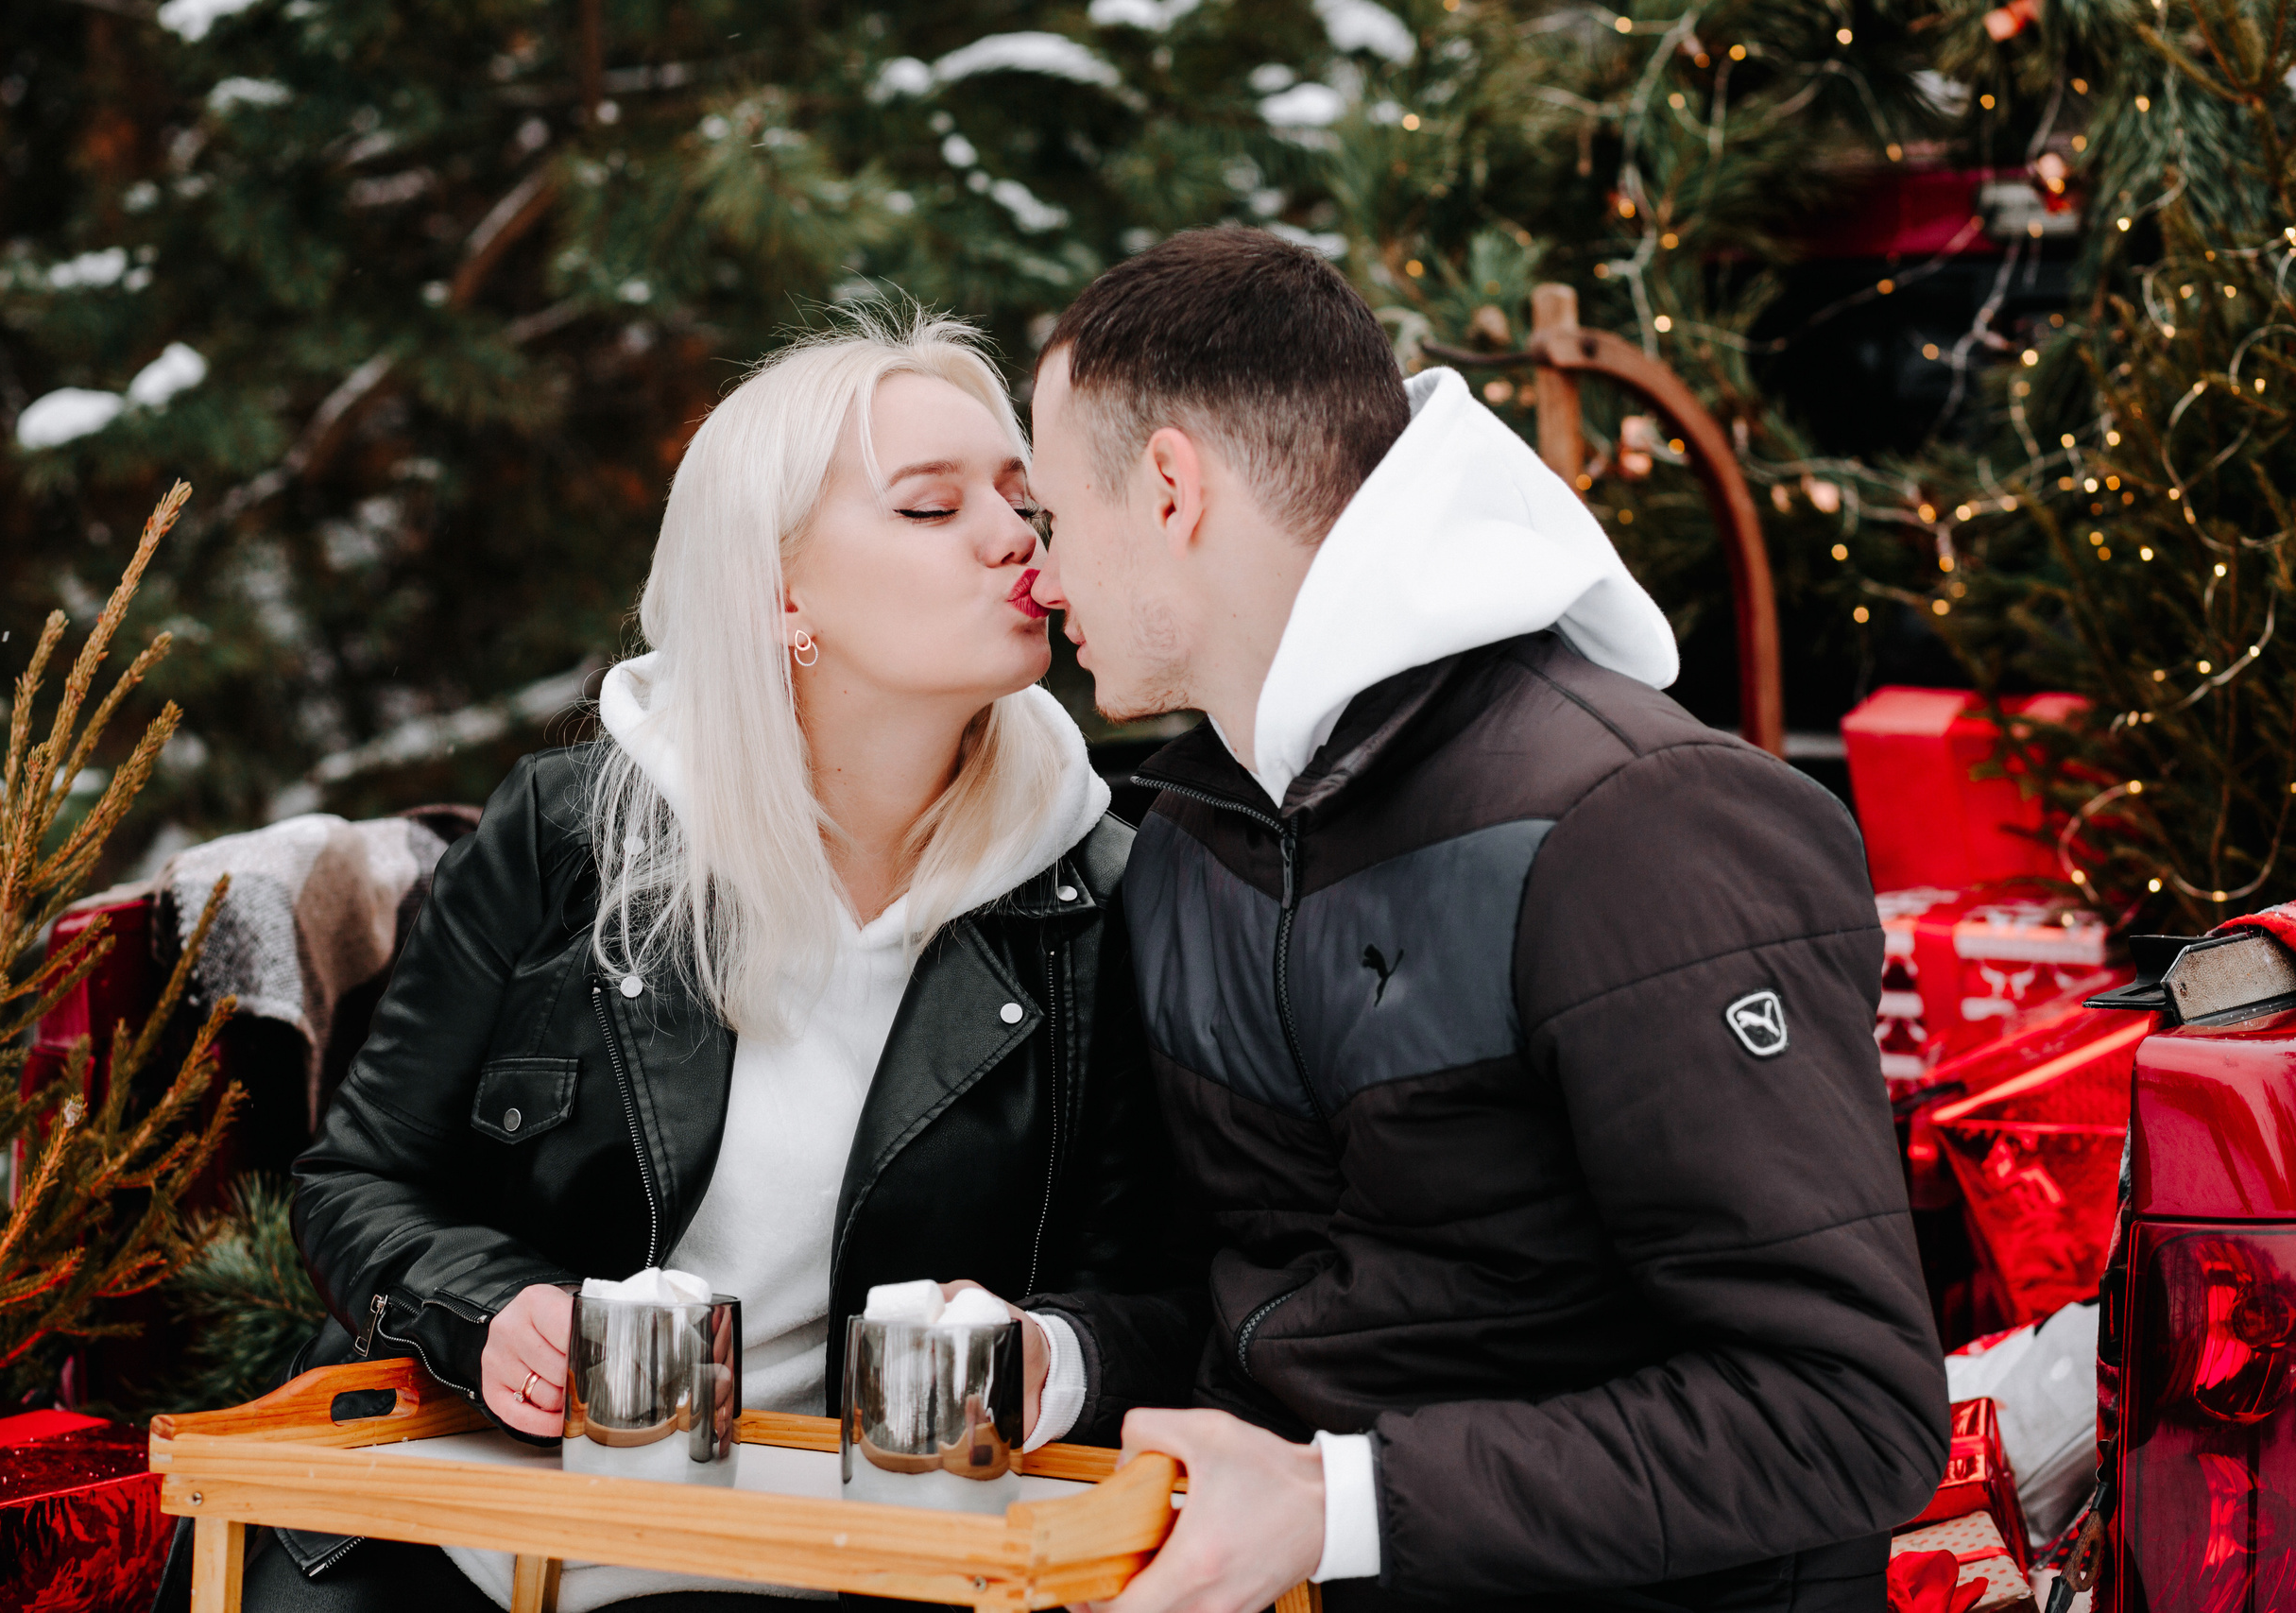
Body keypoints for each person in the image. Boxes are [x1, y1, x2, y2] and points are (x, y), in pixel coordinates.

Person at [1017, 228, 1949, 1612]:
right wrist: (1065, 1364)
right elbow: (1269, 1309)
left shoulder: (1635, 824)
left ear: (1168, 489)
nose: (1040, 578)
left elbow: (1842, 1411)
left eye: (1051, 516)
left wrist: (1341, 1508)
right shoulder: (1192, 840)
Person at [260, 310, 1174, 1612]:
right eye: (930, 507)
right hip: (463, 1532)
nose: (1015, 538)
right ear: (778, 590)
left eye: (1024, 501)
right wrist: (498, 1307)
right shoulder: (570, 833)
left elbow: (1166, 1291)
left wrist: (1051, 1361)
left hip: (848, 1567)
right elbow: (360, 1180)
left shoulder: (1098, 892)